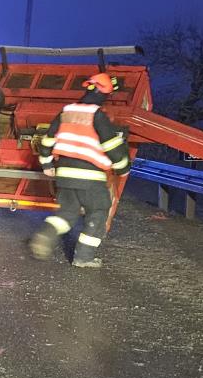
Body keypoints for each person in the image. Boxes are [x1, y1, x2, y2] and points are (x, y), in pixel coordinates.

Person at [28, 73, 132, 269]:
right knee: (98, 212)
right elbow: (112, 147)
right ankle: (83, 258)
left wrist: (47, 164)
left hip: (64, 175)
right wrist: (123, 168)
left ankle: (45, 235)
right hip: (90, 176)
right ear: (104, 94)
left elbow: (47, 141)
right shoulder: (97, 115)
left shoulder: (66, 112)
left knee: (67, 213)